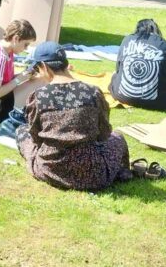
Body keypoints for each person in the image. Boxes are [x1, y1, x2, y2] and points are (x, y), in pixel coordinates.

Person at [15, 41, 135, 191]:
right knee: (118, 137)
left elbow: (36, 137)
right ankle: (123, 173)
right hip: (93, 173)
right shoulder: (93, 92)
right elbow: (104, 134)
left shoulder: (39, 96)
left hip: (50, 169)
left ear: (44, 67)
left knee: (21, 131)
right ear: (66, 64)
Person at [109, 19, 166, 110]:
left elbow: (118, 71)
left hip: (122, 97)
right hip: (162, 102)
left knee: (114, 76)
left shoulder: (127, 40)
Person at [0, 19, 40, 124]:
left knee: (34, 83)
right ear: (16, 39)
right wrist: (19, 79)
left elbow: (5, 80)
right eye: (25, 44)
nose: (26, 49)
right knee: (33, 87)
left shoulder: (6, 50)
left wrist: (24, 75)